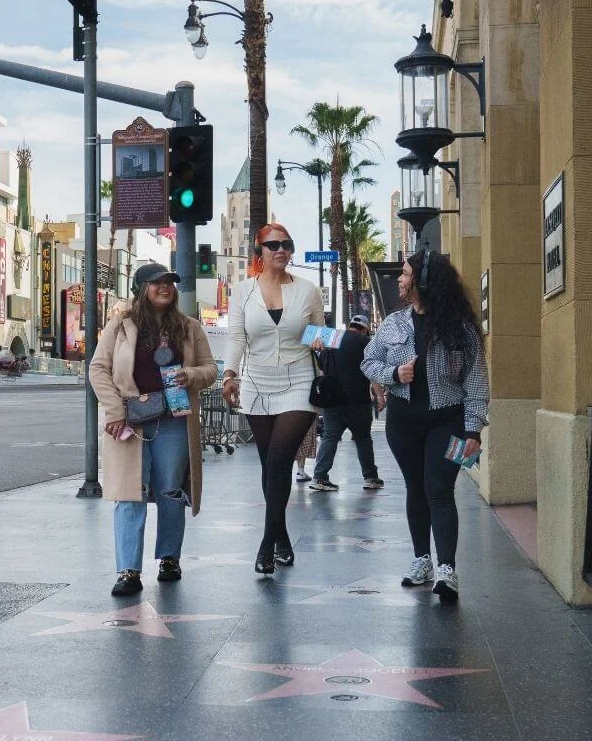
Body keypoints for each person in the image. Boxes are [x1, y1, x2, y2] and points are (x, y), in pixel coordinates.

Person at [361, 249, 488, 602]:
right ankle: (422, 560)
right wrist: (393, 375)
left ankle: (447, 568)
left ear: (424, 282)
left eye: (405, 274)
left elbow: (476, 382)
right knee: (415, 488)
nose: (400, 280)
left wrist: (473, 431)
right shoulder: (393, 324)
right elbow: (368, 361)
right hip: (402, 423)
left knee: (439, 489)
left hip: (448, 422)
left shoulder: (460, 329)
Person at [88, 263, 218, 596]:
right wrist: (114, 411)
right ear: (140, 288)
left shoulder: (188, 327)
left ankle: (169, 559)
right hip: (130, 420)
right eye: (157, 283)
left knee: (170, 491)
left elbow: (210, 369)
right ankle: (128, 570)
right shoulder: (120, 325)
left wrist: (190, 375)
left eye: (170, 283)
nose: (165, 287)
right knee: (129, 494)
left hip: (174, 418)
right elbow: (98, 370)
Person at [223, 223, 326, 575]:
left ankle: (266, 545)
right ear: (259, 253)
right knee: (269, 465)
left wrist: (321, 339)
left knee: (280, 461)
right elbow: (237, 336)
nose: (281, 250)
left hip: (299, 378)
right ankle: (281, 536)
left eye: (287, 244)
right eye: (273, 245)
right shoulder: (243, 291)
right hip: (256, 382)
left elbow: (321, 332)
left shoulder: (308, 290)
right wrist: (230, 373)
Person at [309, 314, 385, 491]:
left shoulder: (332, 338)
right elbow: (371, 371)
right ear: (365, 329)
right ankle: (370, 477)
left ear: (350, 325)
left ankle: (320, 477)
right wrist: (380, 395)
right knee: (363, 438)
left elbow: (322, 365)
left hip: (332, 398)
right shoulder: (365, 342)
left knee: (329, 436)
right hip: (357, 400)